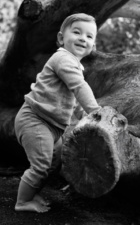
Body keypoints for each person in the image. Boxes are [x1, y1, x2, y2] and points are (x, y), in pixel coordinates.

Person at [14, 13, 101, 213]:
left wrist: (81, 114)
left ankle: (31, 193)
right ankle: (22, 202)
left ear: (93, 46)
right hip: (35, 119)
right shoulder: (62, 58)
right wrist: (95, 112)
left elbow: (71, 97)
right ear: (62, 38)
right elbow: (79, 87)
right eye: (77, 32)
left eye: (89, 36)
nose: (82, 38)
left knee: (54, 162)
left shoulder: (74, 64)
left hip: (53, 126)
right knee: (42, 164)